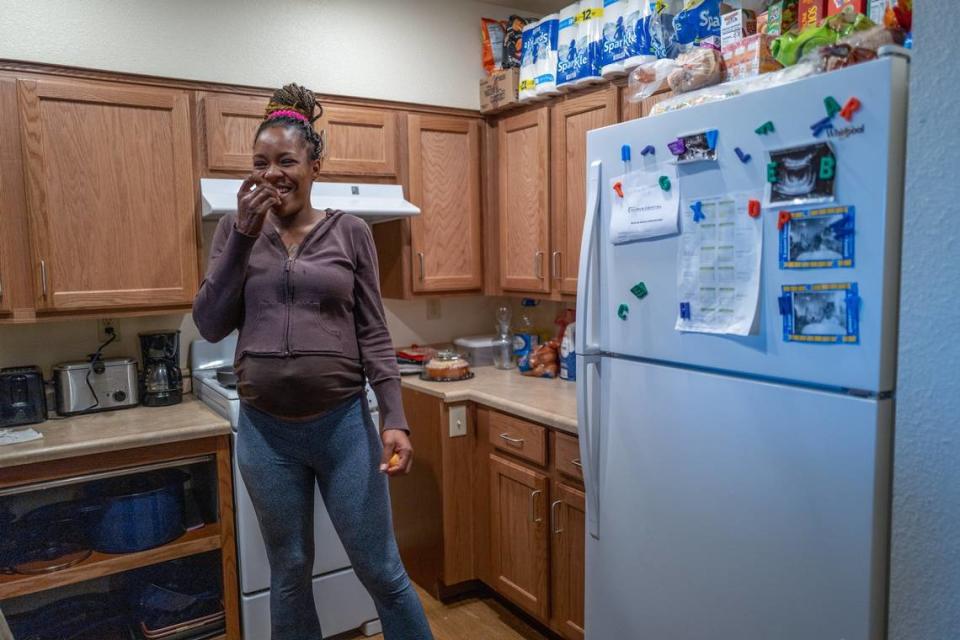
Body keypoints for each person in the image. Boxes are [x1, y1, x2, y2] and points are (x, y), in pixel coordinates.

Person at [193, 83, 433, 640]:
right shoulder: (235, 231)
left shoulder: (351, 232)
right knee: (291, 572)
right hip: (265, 433)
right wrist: (244, 236)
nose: (271, 173)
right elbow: (209, 323)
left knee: (382, 570)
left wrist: (394, 416)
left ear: (313, 166)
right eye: (259, 163)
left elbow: (373, 330)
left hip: (344, 426)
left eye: (285, 161)